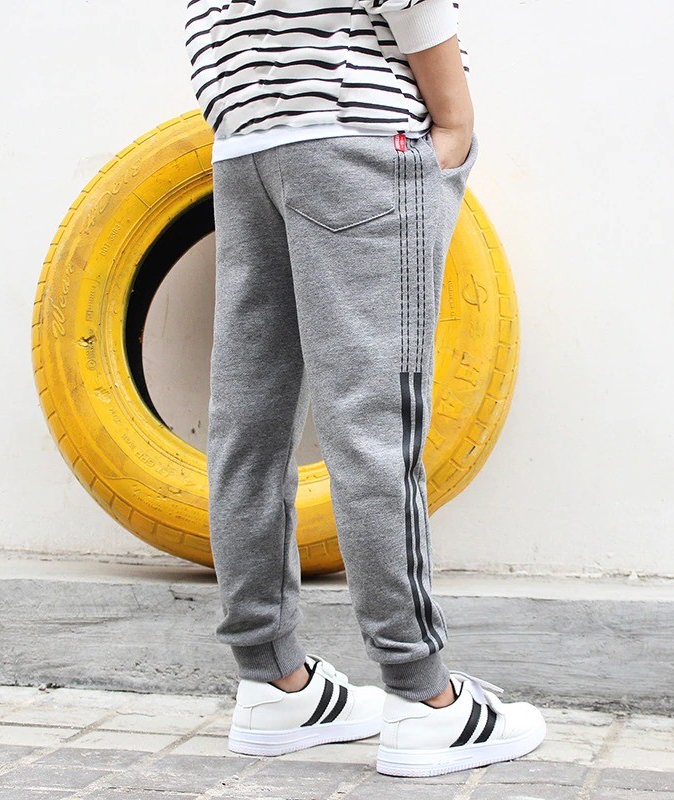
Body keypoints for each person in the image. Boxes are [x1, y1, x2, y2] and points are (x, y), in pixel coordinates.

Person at [183, 0, 545, 777]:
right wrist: (455, 126)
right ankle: (425, 698)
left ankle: (273, 681)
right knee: (374, 426)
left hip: (246, 149)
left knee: (248, 428)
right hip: (358, 145)